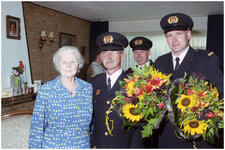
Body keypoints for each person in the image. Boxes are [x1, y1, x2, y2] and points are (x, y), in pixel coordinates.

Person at [154, 13, 224, 148]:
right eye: (170, 35)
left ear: (189, 35)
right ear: (166, 39)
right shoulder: (160, 63)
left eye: (179, 34)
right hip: (166, 138)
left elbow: (221, 95)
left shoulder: (206, 59)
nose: (174, 39)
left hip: (196, 138)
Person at [29, 46, 93, 149]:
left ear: (79, 65)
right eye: (64, 62)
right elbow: (37, 128)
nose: (68, 65)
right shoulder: (46, 90)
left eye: (72, 62)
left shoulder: (88, 88)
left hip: (83, 146)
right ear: (58, 66)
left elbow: (93, 123)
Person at [89, 32, 145, 148]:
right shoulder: (93, 83)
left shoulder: (135, 84)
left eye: (114, 53)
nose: (108, 57)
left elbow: (139, 126)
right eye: (105, 53)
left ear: (122, 56)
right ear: (100, 56)